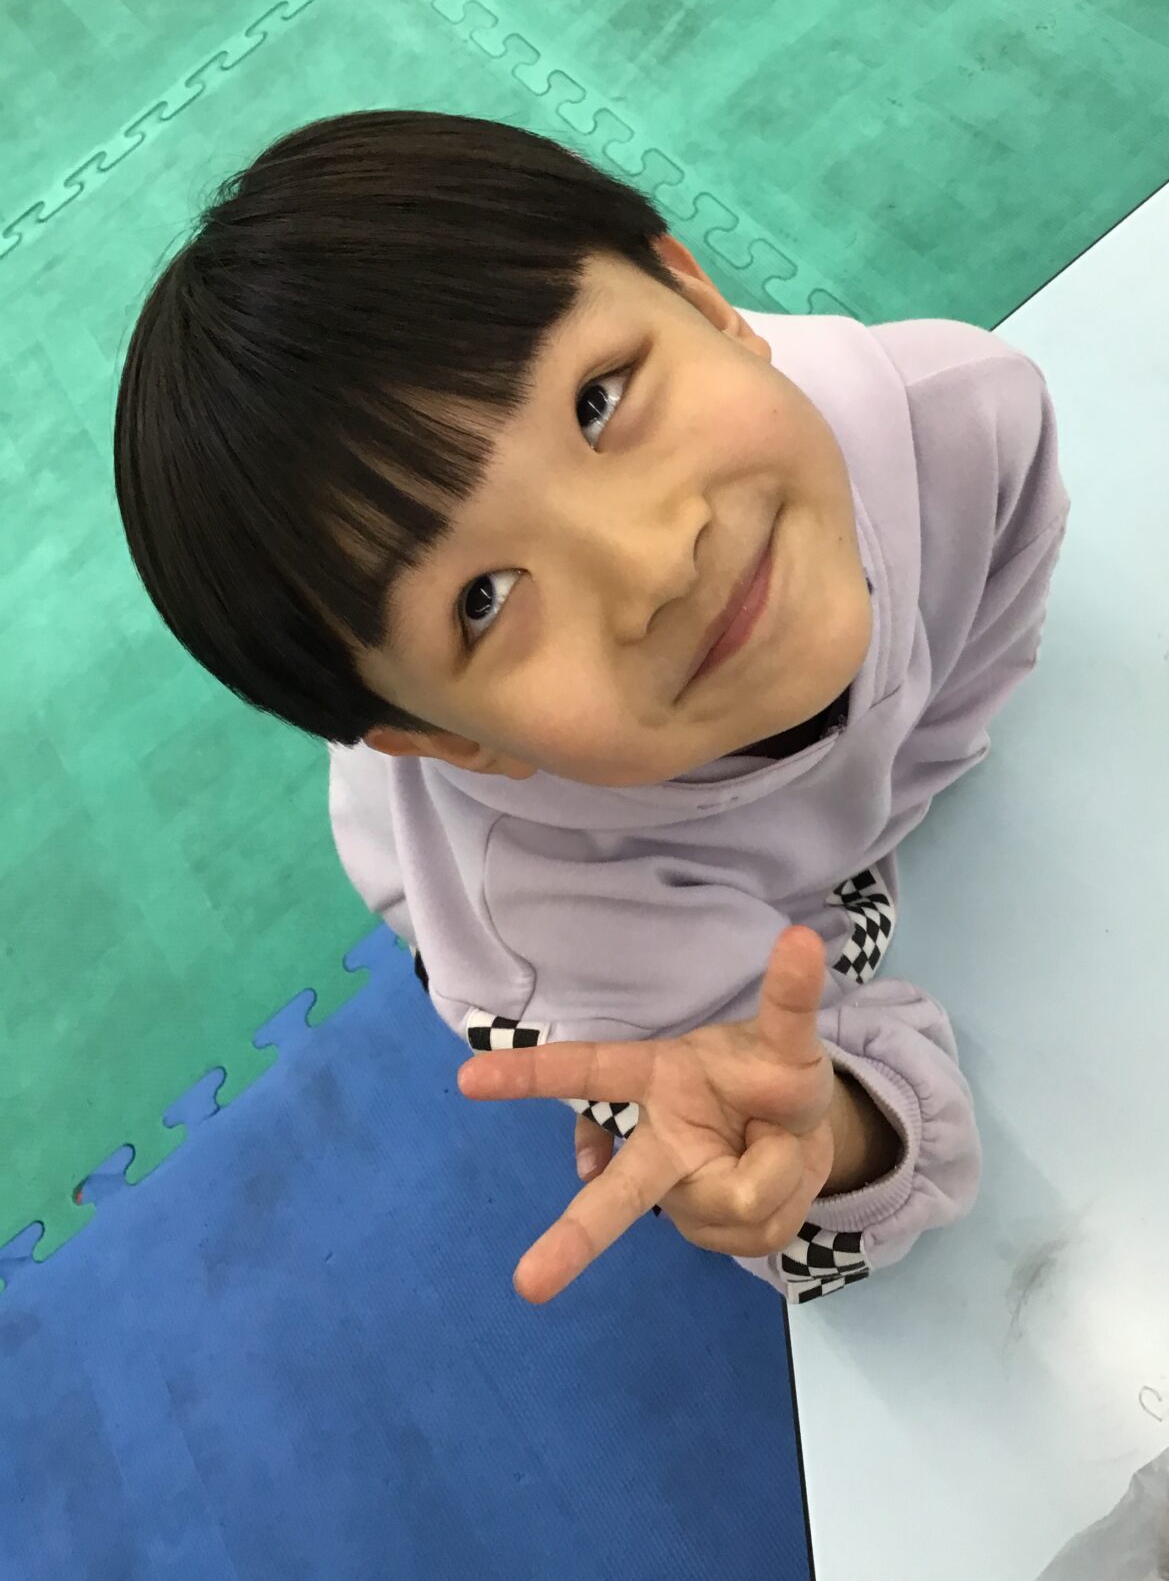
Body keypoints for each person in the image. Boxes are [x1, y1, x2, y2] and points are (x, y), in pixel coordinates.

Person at [114, 110, 1069, 1306]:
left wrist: (883, 821)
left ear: (696, 293)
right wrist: (830, 1129)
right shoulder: (542, 930)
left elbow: (984, 654)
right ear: (444, 737)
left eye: (598, 403)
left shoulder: (963, 421)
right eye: (483, 599)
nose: (654, 561)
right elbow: (771, 1171)